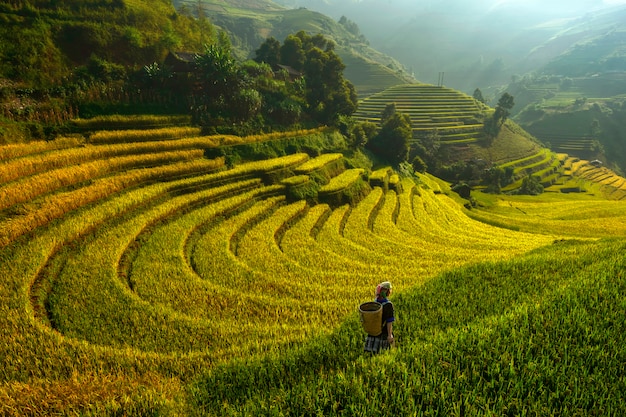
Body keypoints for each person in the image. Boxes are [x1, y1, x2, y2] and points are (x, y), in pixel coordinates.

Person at [364, 281, 395, 354]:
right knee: (383, 355)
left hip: (372, 334)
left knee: (370, 355)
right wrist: (390, 335)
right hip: (383, 334)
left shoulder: (374, 303)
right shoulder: (388, 305)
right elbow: (389, 321)